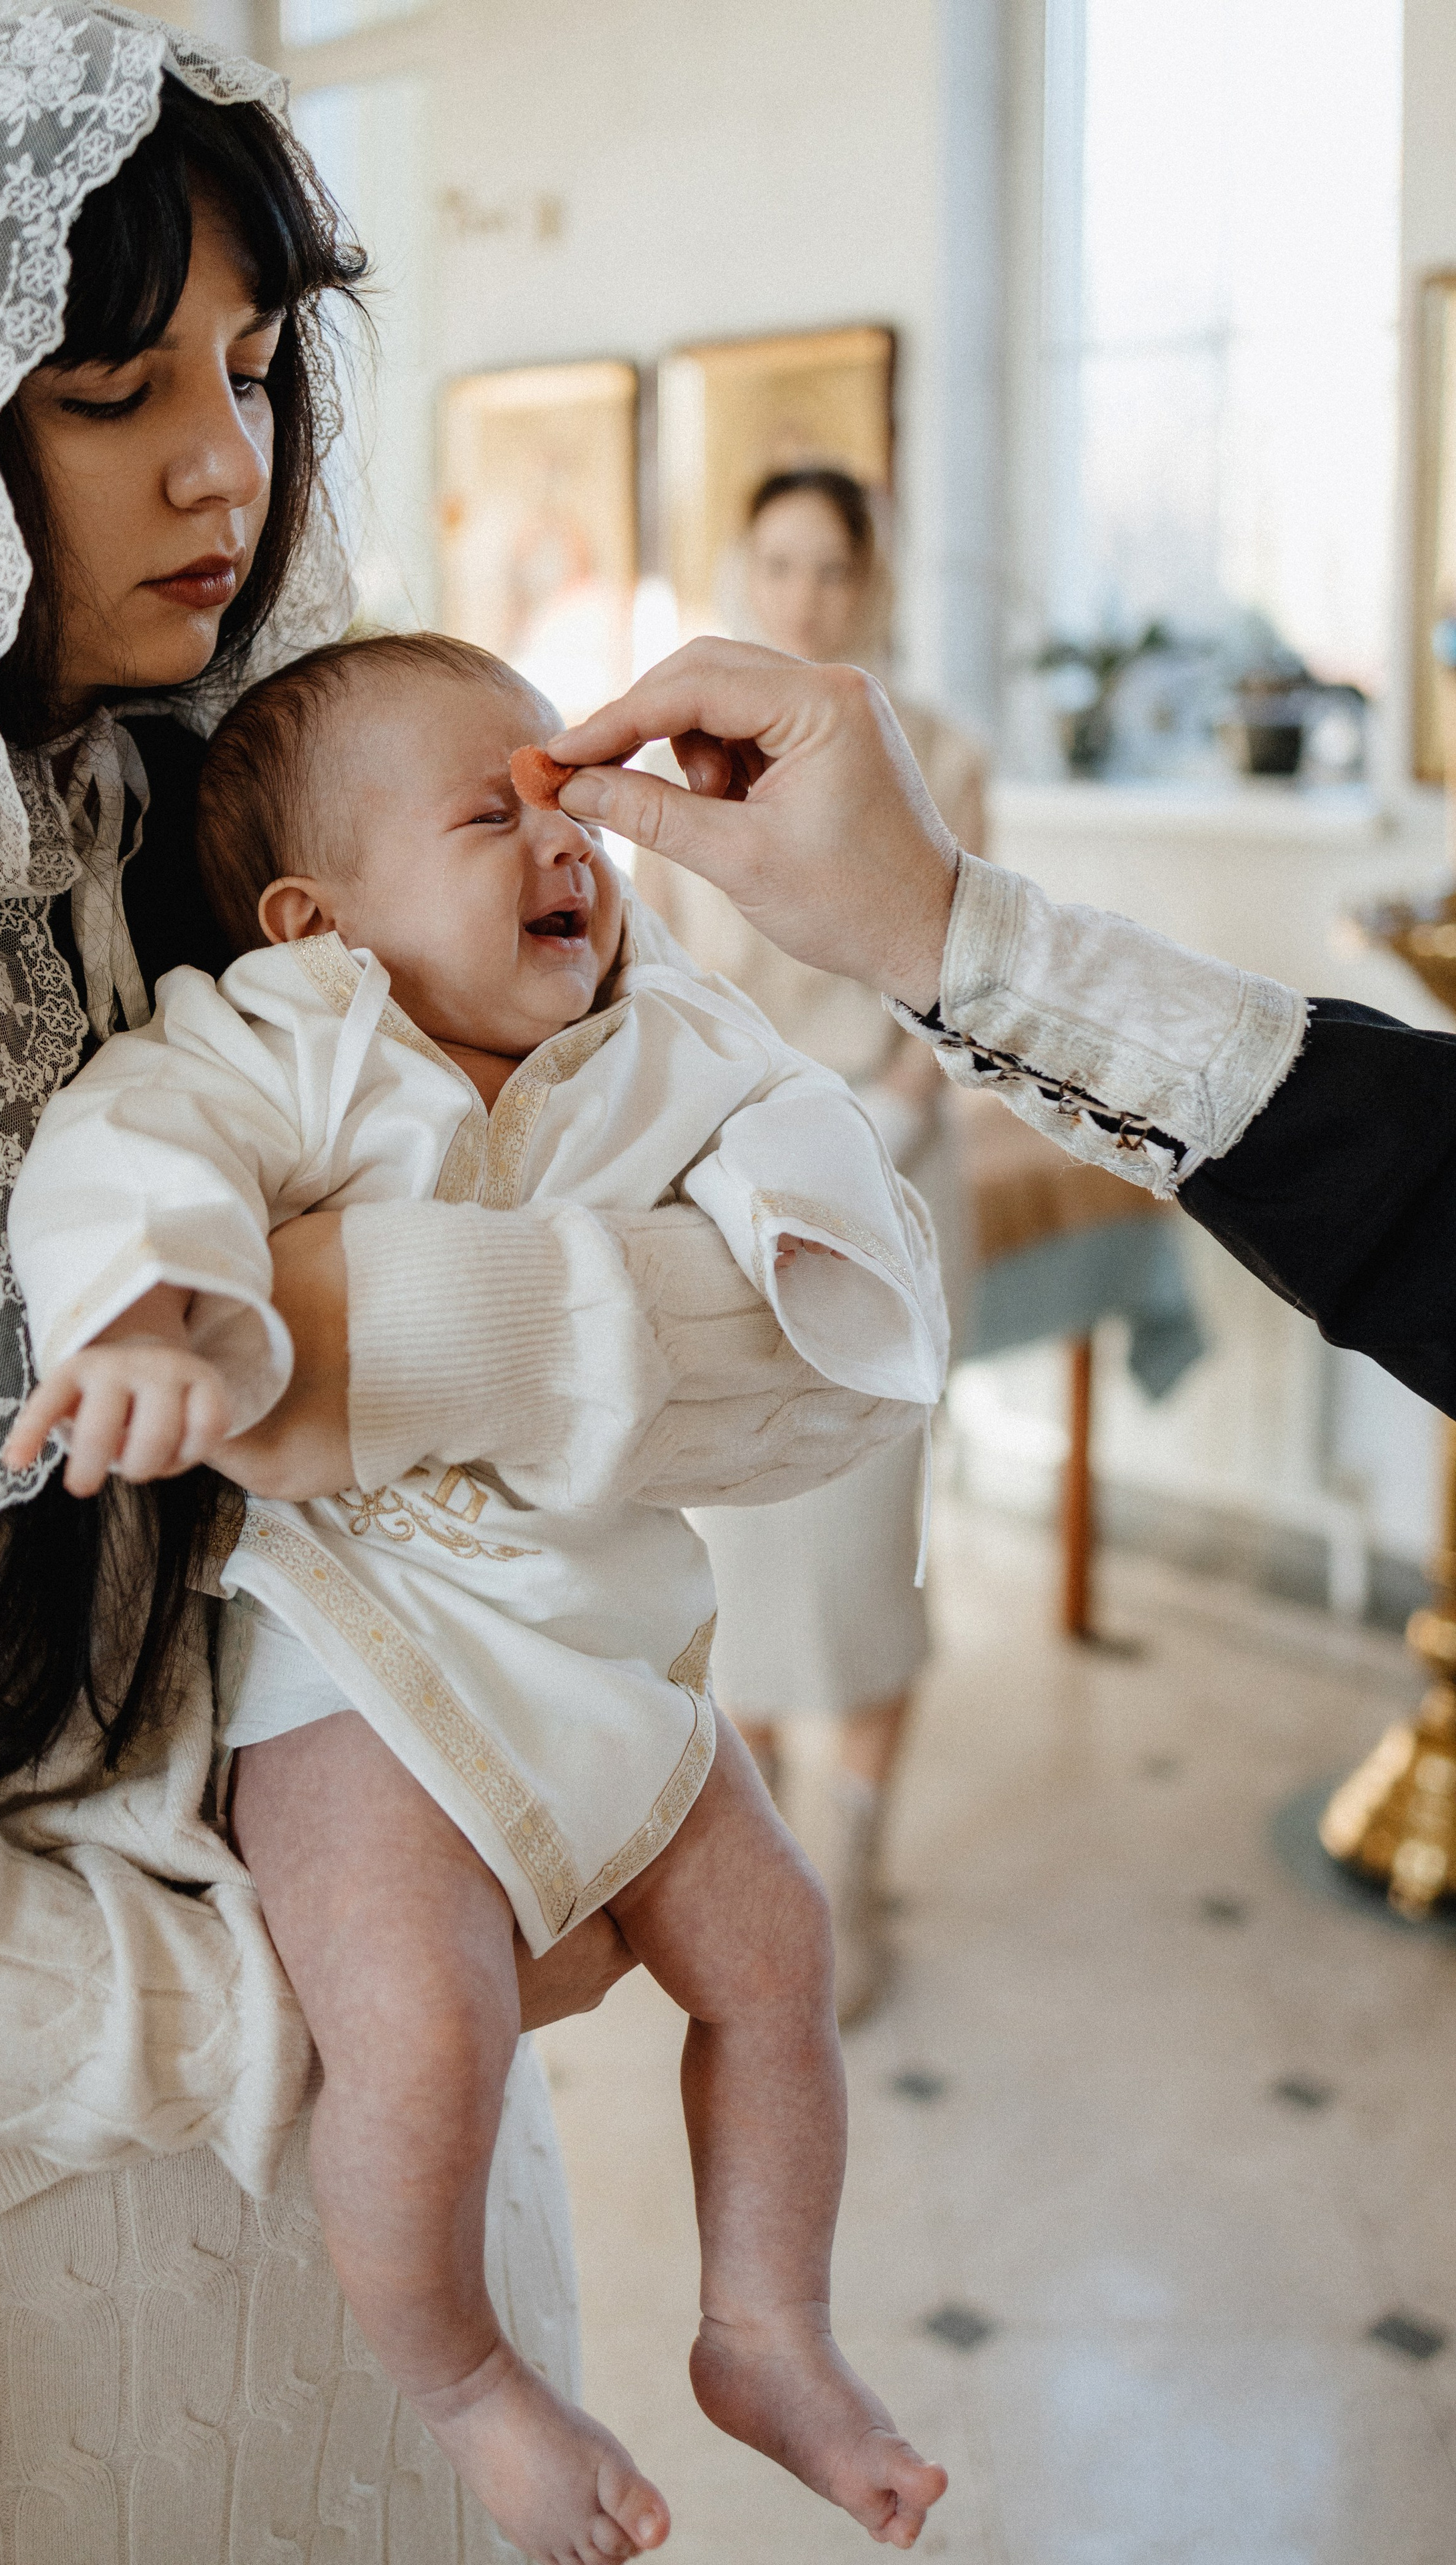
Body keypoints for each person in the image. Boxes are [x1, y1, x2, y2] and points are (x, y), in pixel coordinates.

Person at [0, 17, 899, 2554]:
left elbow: (827, 1347)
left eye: (259, 368)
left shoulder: (298, 789)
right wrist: (284, 2016)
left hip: (394, 2174)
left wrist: (369, 1335)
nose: (222, 465)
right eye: (106, 385)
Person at [3, 630, 951, 2564]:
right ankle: (463, 2375)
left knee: (775, 1951)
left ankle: (768, 2321)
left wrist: (805, 1214)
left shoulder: (652, 1038)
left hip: (601, 1639)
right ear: (318, 916)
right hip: (357, 1656)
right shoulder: (290, 1035)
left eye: (572, 802)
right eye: (489, 812)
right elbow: (130, 1144)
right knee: (421, 2035)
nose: (568, 843)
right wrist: (146, 1307)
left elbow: (803, 1131)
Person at [539, 637, 1456, 1425]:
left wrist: (929, 983)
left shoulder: (930, 744)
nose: (558, 853)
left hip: (887, 1108)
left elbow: (1410, 1191)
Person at [632, 469, 986, 2017]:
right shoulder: (687, 779)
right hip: (732, 1201)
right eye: (775, 566)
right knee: (739, 1548)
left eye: (831, 571)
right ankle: (762, 1855)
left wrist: (890, 1122)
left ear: (872, 584)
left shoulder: (944, 757)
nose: (802, 600)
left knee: (865, 1552)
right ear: (743, 573)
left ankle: (858, 1850)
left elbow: (961, 981)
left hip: (890, 1185)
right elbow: (652, 993)